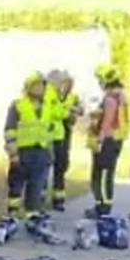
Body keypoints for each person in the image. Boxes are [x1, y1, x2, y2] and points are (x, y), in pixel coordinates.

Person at [4, 72, 55, 220]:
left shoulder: (47, 107)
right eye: (36, 85)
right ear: (28, 87)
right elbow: (10, 130)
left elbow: (49, 131)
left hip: (41, 153)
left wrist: (49, 154)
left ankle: (32, 217)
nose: (39, 88)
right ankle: (12, 215)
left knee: (36, 187)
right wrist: (13, 153)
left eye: (42, 86)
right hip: (22, 152)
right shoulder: (18, 105)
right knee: (16, 185)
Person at [87, 64, 129, 218]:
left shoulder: (110, 98)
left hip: (108, 140)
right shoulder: (120, 96)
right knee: (105, 174)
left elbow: (107, 122)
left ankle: (103, 208)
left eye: (100, 79)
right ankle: (101, 205)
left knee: (102, 175)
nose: (99, 82)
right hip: (116, 139)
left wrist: (99, 139)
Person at [45, 69, 83, 212]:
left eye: (66, 82)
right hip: (51, 134)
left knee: (61, 166)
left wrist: (74, 111)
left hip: (64, 132)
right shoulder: (50, 94)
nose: (64, 85)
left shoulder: (72, 97)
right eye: (62, 82)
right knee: (46, 167)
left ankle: (58, 199)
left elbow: (81, 109)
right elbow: (55, 111)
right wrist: (67, 112)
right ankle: (42, 200)